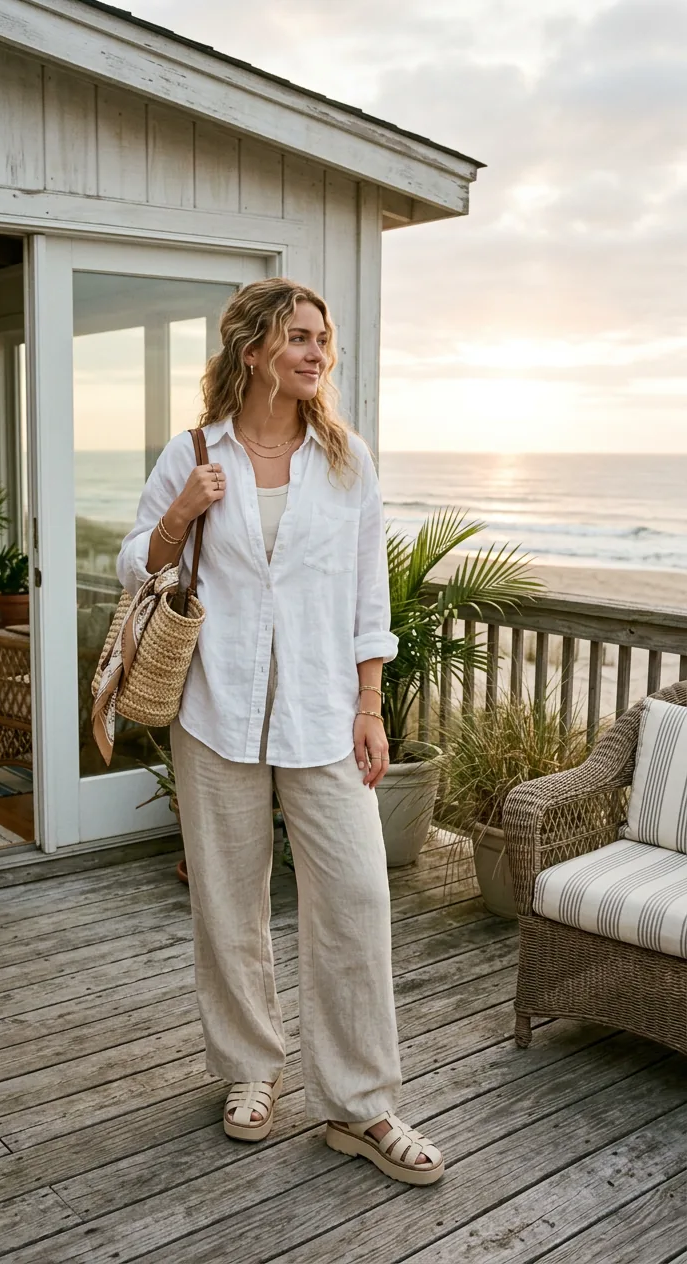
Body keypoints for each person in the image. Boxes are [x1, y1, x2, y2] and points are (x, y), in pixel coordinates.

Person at [117, 277, 444, 1185]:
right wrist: (182, 512)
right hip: (215, 712)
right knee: (229, 905)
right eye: (298, 337)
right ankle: (251, 1072)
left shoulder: (348, 463)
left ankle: (361, 1105)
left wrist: (372, 706)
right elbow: (133, 561)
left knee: (357, 902)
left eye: (323, 340)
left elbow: (367, 596)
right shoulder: (192, 452)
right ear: (253, 349)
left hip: (321, 714)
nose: (316, 353)